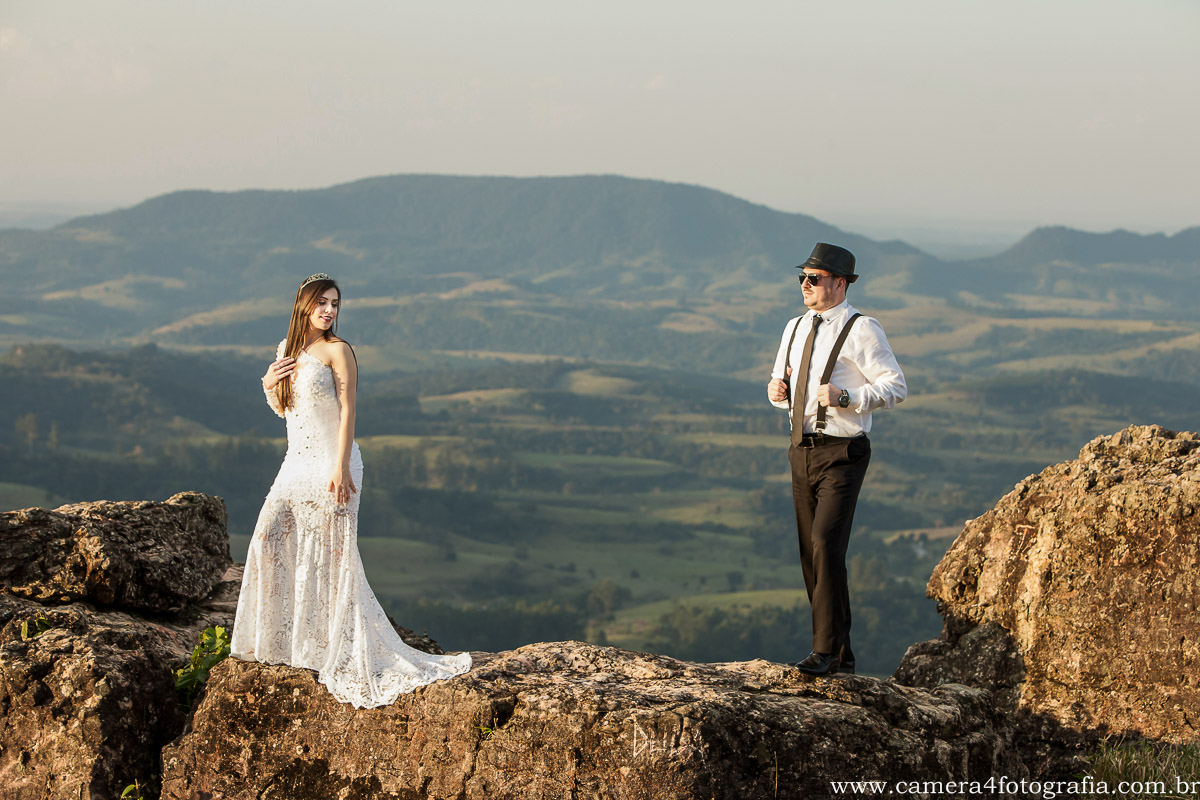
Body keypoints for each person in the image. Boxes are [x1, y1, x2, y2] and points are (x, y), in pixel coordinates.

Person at [230, 273, 471, 707]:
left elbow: (348, 413)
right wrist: (268, 385)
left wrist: (340, 467)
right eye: (321, 303)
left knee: (334, 557)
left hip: (332, 462)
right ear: (302, 306)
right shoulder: (285, 352)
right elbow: (286, 409)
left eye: (335, 304)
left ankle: (331, 650)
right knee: (268, 540)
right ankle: (283, 645)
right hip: (294, 464)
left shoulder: (339, 351)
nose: (328, 311)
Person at [766, 243, 906, 677]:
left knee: (826, 544)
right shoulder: (793, 327)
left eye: (816, 278)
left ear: (840, 284)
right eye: (803, 277)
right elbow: (781, 380)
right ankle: (838, 650)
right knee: (813, 552)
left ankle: (824, 651)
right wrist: (775, 392)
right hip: (800, 449)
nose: (806, 285)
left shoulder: (863, 329)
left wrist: (848, 397)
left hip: (842, 452)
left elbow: (895, 386)